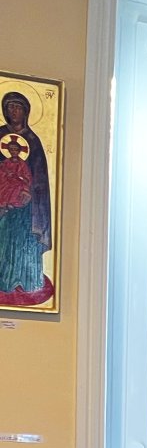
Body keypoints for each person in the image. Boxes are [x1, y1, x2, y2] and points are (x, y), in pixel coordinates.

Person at [0, 90, 53, 305]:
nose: (14, 111)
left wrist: (27, 192)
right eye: (10, 107)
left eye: (18, 107)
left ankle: (26, 279)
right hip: (4, 202)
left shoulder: (33, 141)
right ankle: (5, 280)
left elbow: (39, 177)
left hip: (27, 206)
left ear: (26, 112)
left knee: (23, 239)